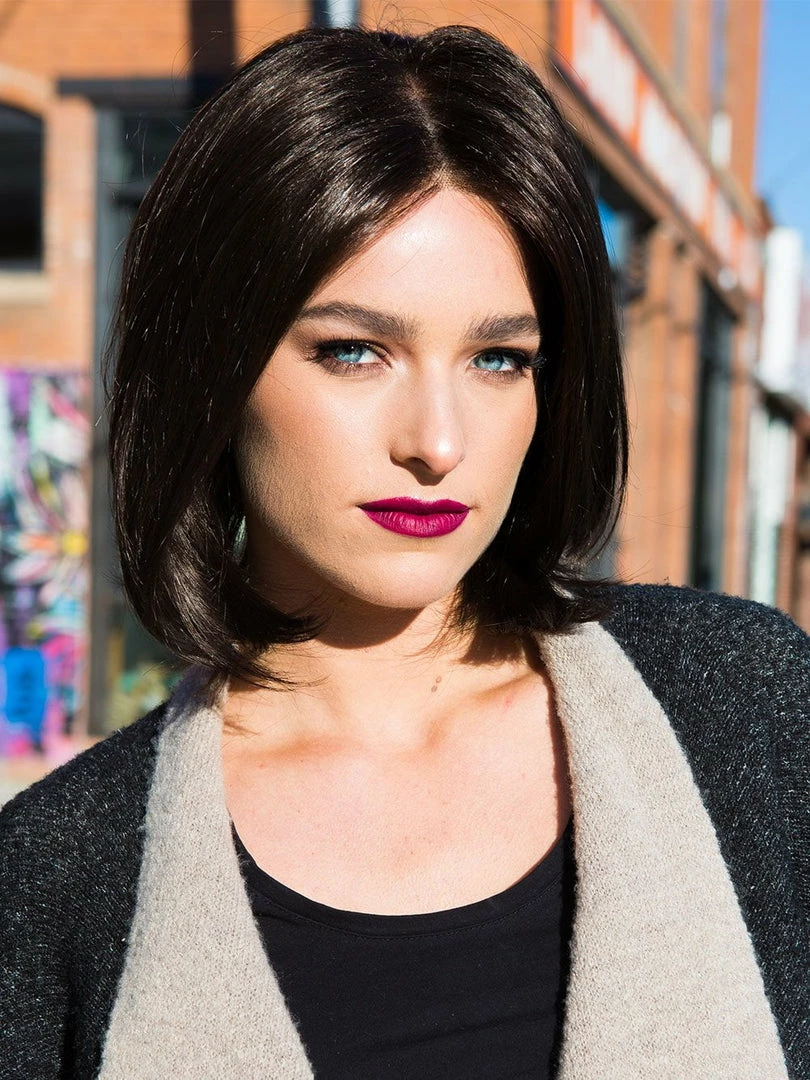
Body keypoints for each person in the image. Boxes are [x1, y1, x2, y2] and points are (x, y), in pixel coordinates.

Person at [0, 23, 807, 1080]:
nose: (438, 442)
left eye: (498, 359)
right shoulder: (56, 875)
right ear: (215, 366)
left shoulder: (743, 702)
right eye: (354, 350)